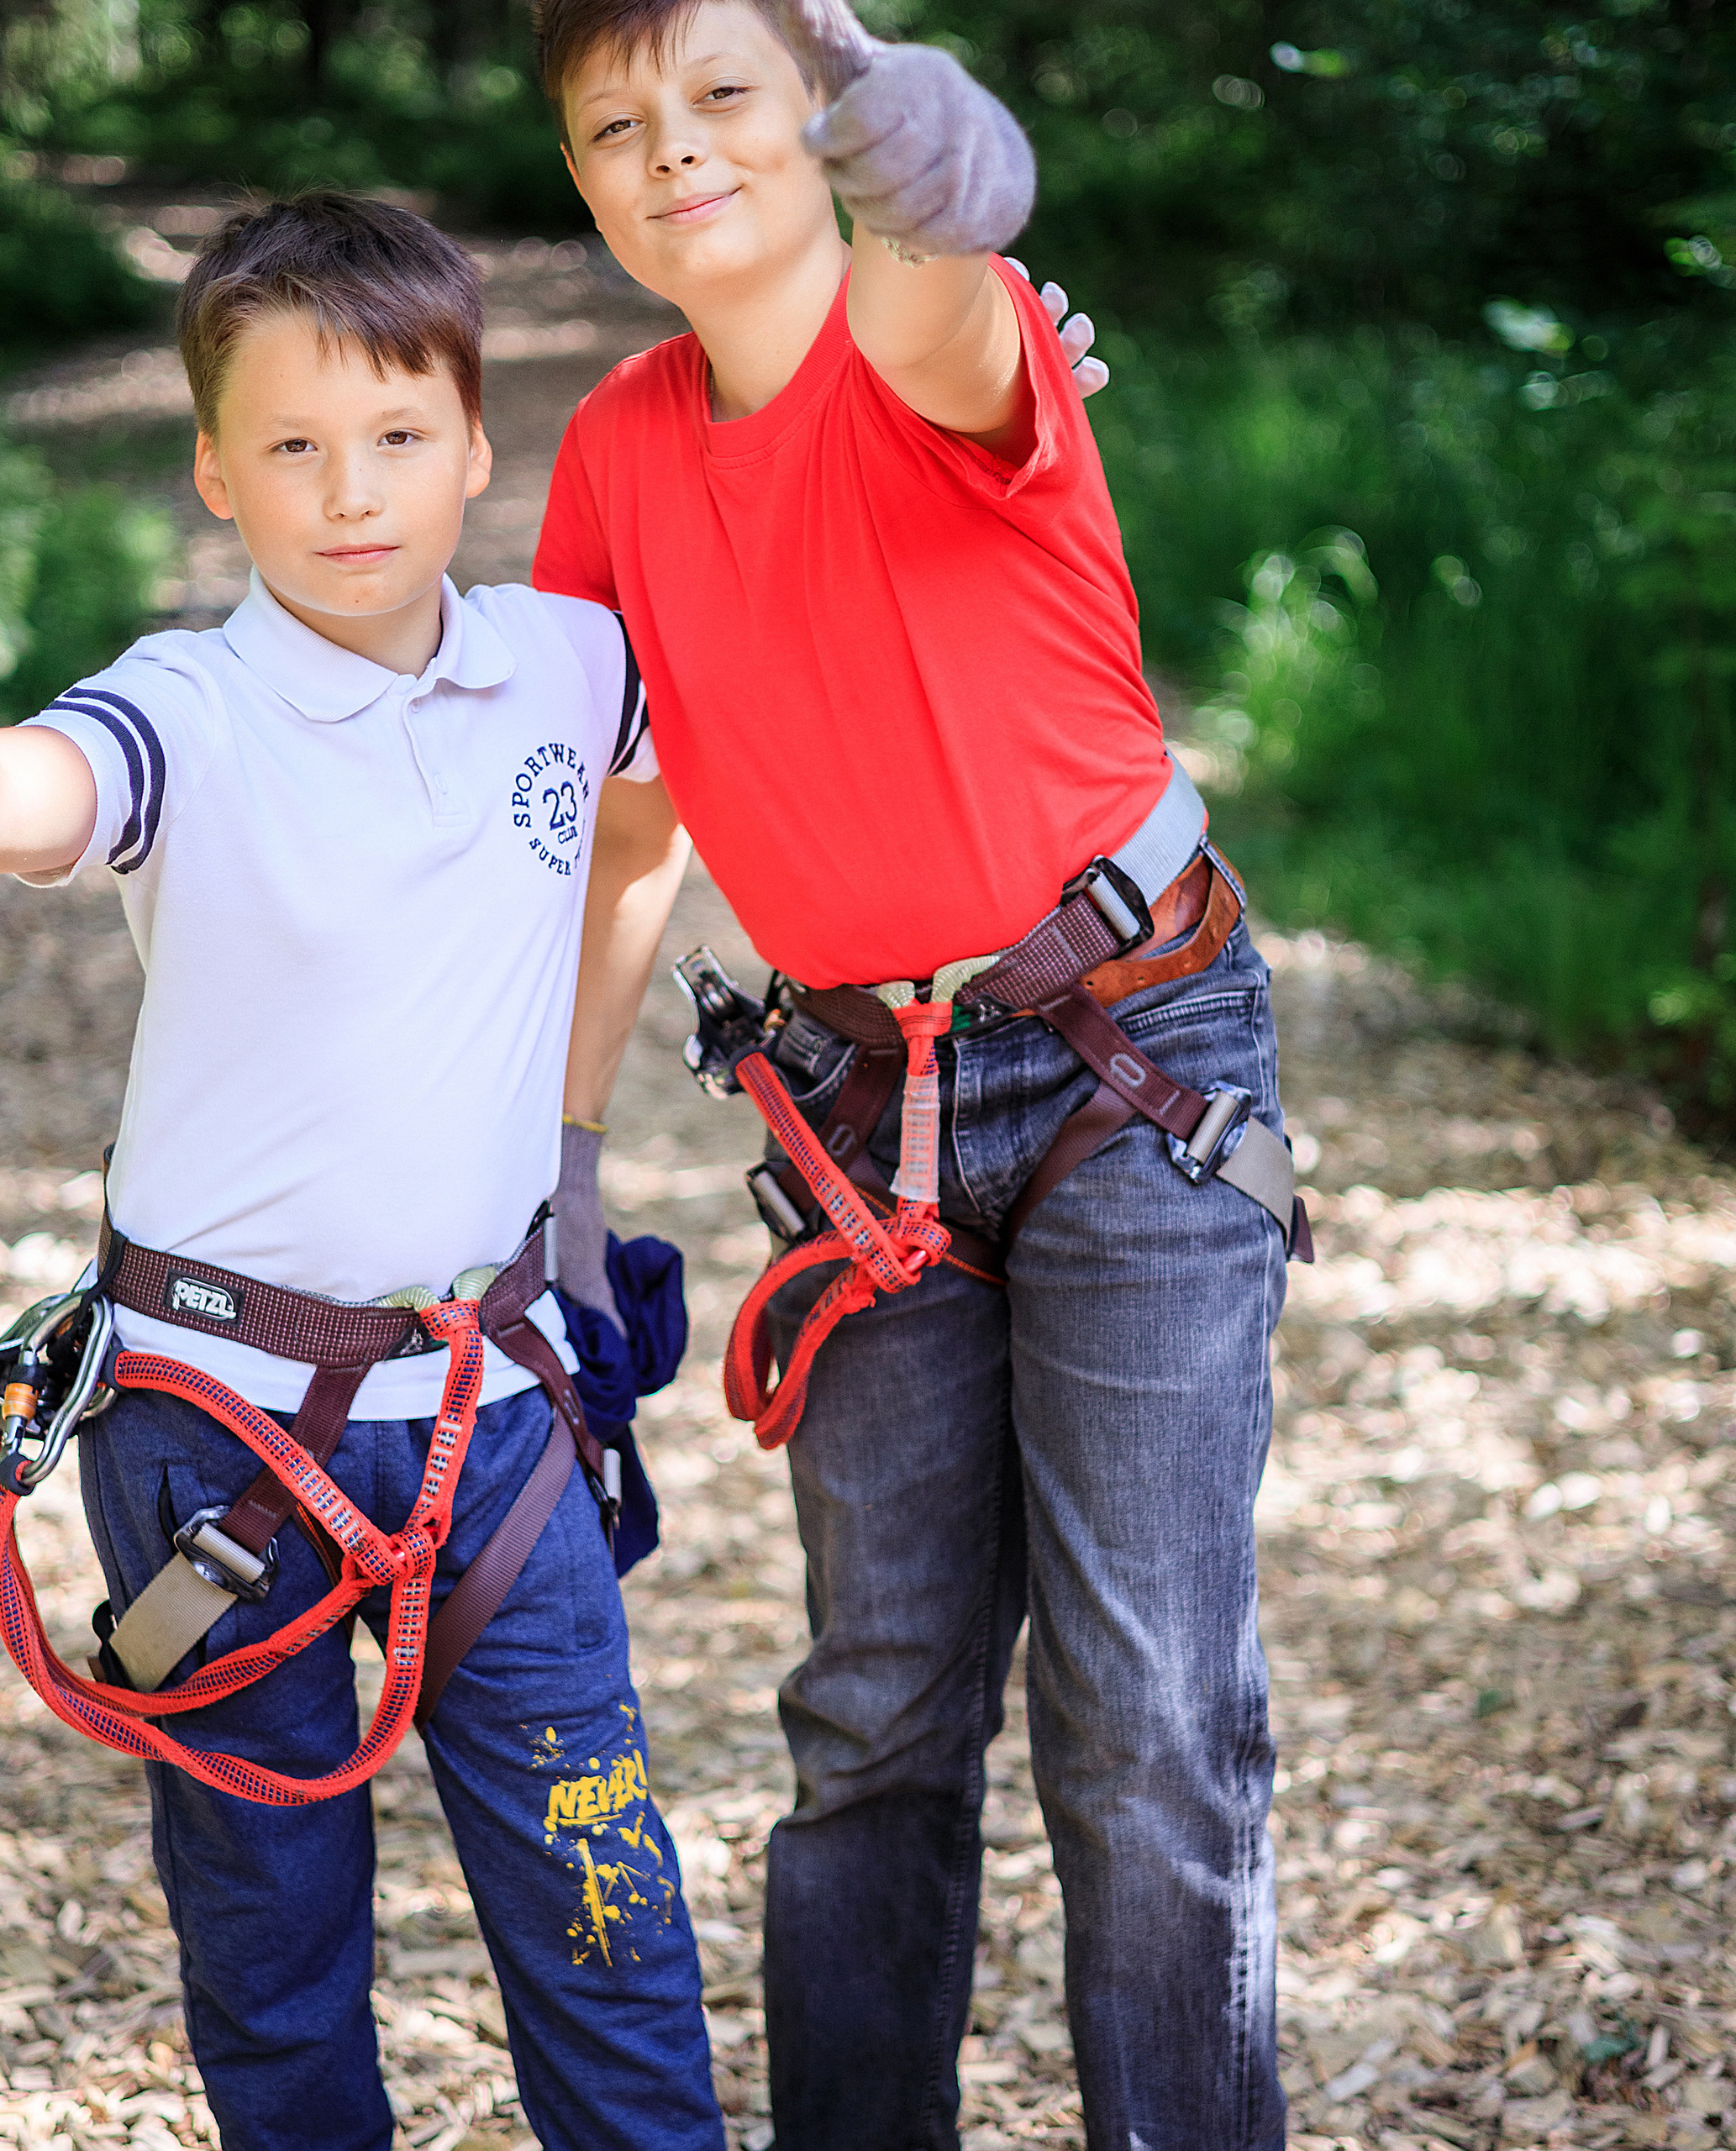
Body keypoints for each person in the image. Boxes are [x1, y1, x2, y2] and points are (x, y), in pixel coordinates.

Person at [0, 192, 720, 2151]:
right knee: (275, 1964)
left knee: (607, 1933)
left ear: (478, 444)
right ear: (216, 472)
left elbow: (651, 829)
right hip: (215, 1440)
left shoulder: (573, 665)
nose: (350, 489)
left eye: (397, 435)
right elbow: (5, 808)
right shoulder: (185, 709)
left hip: (501, 1418)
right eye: (292, 446)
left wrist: (566, 1141)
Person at [533, 3, 1304, 2146]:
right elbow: (623, 830)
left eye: (722, 99)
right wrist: (562, 1156)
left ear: (814, 122)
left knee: (1146, 1710)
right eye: (616, 127)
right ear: (581, 187)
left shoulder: (942, 337)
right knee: (869, 1712)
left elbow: (938, 274)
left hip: (1127, 1055)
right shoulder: (611, 445)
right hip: (859, 1117)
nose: (673, 152)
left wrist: (923, 160)